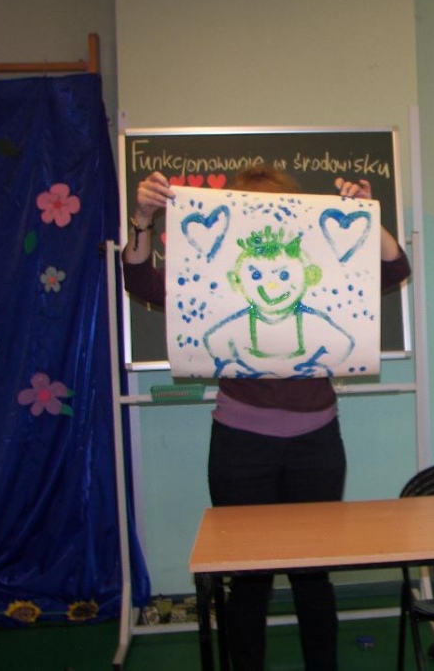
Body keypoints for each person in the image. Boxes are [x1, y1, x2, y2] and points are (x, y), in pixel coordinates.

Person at [123, 166, 411, 671]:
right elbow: (140, 280)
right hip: (240, 443)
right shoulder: (217, 273)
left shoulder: (316, 266)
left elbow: (393, 267)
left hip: (316, 442)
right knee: (247, 577)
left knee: (312, 573)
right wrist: (142, 219)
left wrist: (366, 213)